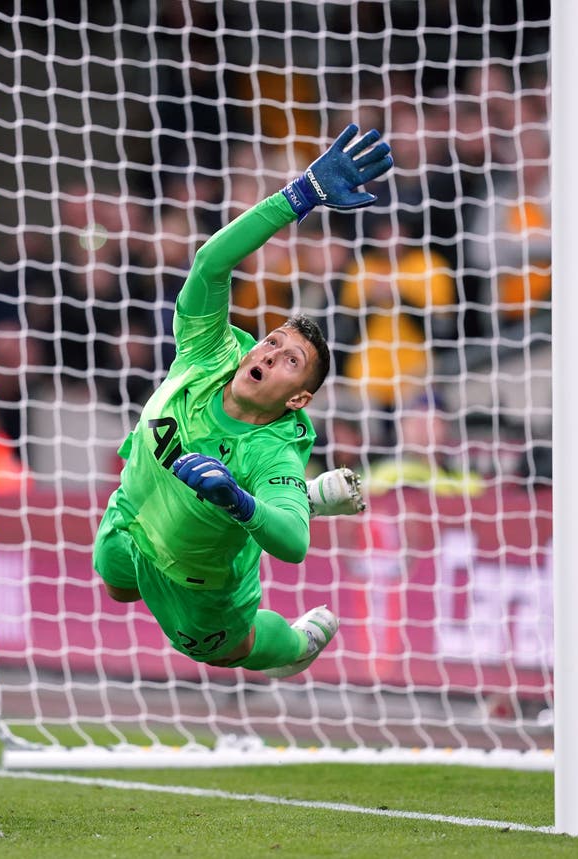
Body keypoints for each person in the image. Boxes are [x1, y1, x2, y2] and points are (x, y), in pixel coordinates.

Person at [93, 125, 392, 677]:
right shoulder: (210, 353)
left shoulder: (272, 451)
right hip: (131, 517)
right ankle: (306, 495)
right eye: (273, 341)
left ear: (299, 398)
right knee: (115, 586)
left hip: (201, 581)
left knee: (234, 649)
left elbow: (295, 546)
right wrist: (299, 194)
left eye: (291, 361)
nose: (272, 353)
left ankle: (296, 648)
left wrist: (239, 502)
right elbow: (210, 262)